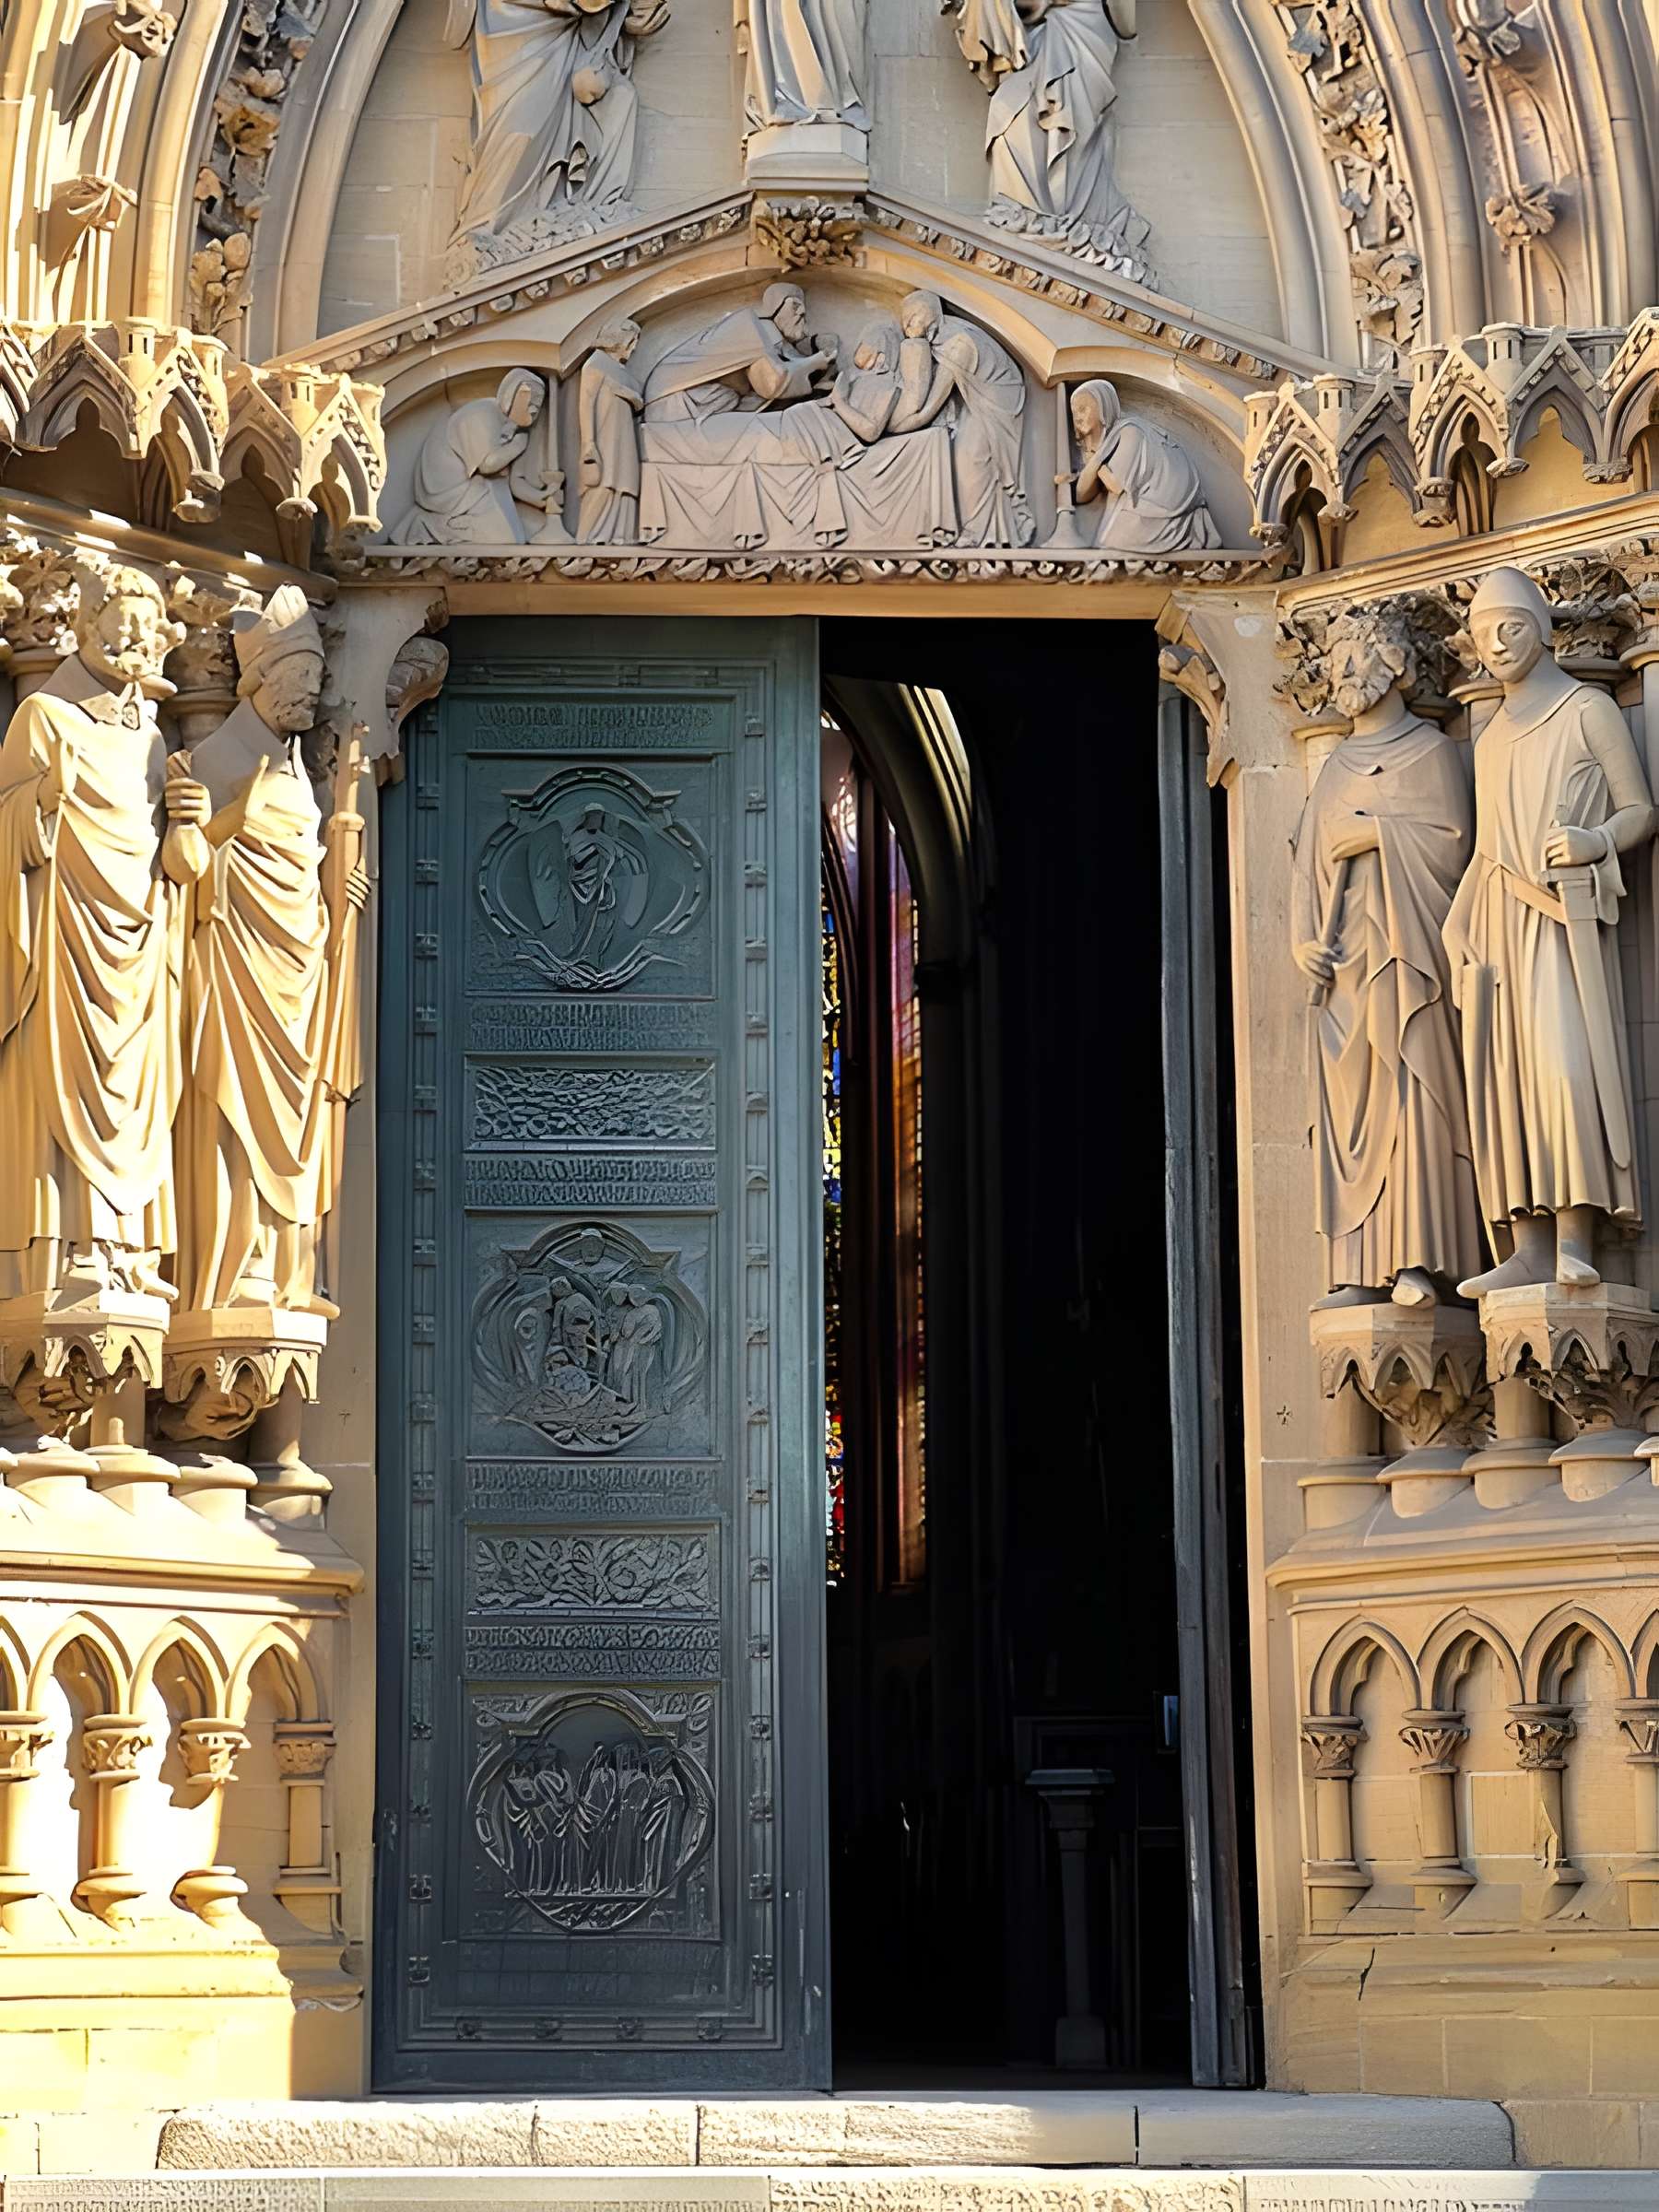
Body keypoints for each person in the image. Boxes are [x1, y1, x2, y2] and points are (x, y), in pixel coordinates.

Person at [1443, 565, 1656, 1292]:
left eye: (1511, 627)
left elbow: (1640, 810)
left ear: (1541, 629)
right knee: (1508, 1084)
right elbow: (1485, 848)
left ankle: (1575, 1237)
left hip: (1560, 920)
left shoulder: (1586, 708)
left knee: (1565, 1070)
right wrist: (1459, 927)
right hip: (1497, 923)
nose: (1498, 644)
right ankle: (1528, 1247)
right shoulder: (1490, 736)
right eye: (1483, 634)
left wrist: (1596, 840)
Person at [0, 566, 204, 1309]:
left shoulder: (151, 738)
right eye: (123, 619)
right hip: (66, 936)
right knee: (63, 1086)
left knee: (138, 1094)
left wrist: (187, 822)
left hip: (140, 949)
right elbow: (6, 831)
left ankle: (130, 1250)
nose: (139, 636)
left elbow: (177, 868)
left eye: (149, 624)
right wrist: (43, 799)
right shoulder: (45, 717)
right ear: (86, 623)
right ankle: (67, 1256)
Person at [172, 583, 369, 1316]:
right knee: (237, 1111)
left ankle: (291, 1268)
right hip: (235, 965)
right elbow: (182, 877)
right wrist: (207, 829)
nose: (312, 694)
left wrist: (338, 896)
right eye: (301, 677)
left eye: (317, 679)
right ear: (258, 676)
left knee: (295, 1114)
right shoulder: (214, 759)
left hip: (298, 970)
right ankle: (237, 1273)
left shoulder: (293, 766)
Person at [1290, 604, 1482, 1306]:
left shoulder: (1431, 752)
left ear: (1397, 663)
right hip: (1345, 972)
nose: (1342, 672)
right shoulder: (1334, 768)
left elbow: (1454, 848)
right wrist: (1305, 944)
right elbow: (1305, 871)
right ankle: (1357, 1268)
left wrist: (1379, 835)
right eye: (1336, 659)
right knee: (1352, 1113)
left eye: (1356, 656)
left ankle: (1417, 1259)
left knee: (1412, 1093)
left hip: (1408, 956)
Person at [445, 0, 669, 250]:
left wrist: (634, 11)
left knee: (621, 99)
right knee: (521, 128)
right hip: (519, 27)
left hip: (573, 42)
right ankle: (487, 227)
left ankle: (596, 206)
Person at [890, 289, 1032, 547]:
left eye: (911, 319)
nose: (906, 328)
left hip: (995, 404)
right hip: (973, 400)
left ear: (928, 313)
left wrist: (889, 430)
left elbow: (930, 406)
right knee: (960, 451)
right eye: (904, 323)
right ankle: (990, 532)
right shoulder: (943, 338)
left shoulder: (958, 345)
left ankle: (980, 532)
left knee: (970, 457)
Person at [394, 369, 565, 545]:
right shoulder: (484, 413)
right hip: (446, 490)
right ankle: (434, 525)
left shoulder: (511, 427)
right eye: (530, 397)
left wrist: (541, 498)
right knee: (505, 539)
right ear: (510, 395)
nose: (535, 407)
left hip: (472, 484)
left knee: (518, 532)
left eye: (538, 400)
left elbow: (512, 482)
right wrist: (516, 447)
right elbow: (487, 465)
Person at [642, 283, 836, 425]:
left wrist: (816, 353)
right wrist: (816, 361)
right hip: (671, 403)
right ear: (794, 307)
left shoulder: (772, 338)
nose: (805, 328)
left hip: (697, 401)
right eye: (801, 318)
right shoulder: (749, 325)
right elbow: (772, 383)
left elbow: (791, 362)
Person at [1070, 378, 1221, 554]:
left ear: (1103, 407)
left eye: (1083, 409)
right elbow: (1081, 495)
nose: (1077, 417)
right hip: (1148, 504)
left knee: (1112, 541)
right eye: (1074, 412)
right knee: (1105, 539)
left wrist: (1096, 461)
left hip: (1168, 509)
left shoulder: (1130, 431)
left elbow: (1116, 486)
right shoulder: (1106, 442)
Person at [577, 314, 644, 544]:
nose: (633, 348)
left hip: (625, 438)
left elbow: (638, 401)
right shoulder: (596, 365)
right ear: (618, 339)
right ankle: (588, 538)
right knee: (604, 484)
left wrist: (629, 395)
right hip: (603, 438)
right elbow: (586, 404)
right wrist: (588, 443)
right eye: (631, 341)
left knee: (625, 484)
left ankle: (621, 536)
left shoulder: (623, 373)